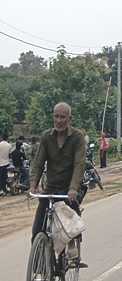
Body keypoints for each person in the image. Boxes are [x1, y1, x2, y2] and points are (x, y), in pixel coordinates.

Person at [29, 103, 85, 251]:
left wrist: (73, 188)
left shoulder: (77, 137)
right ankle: (40, 264)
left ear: (69, 119)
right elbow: (39, 163)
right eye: (56, 116)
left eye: (62, 117)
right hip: (50, 188)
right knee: (37, 231)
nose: (59, 120)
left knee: (71, 227)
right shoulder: (47, 137)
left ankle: (73, 248)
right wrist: (33, 186)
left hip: (68, 189)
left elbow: (79, 165)